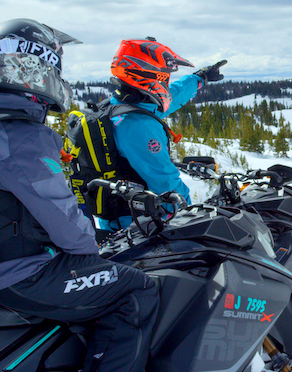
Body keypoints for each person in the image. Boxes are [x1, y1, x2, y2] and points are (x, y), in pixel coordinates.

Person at [0, 19, 160, 372]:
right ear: (33, 69)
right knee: (136, 288)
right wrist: (96, 243)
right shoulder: (20, 135)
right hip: (15, 274)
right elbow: (69, 229)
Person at [94, 37, 222, 232]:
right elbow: (165, 183)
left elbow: (171, 97)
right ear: (149, 75)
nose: (166, 82)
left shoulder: (119, 106)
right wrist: (191, 216)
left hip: (124, 218)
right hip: (139, 226)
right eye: (164, 77)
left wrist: (200, 78)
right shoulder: (139, 127)